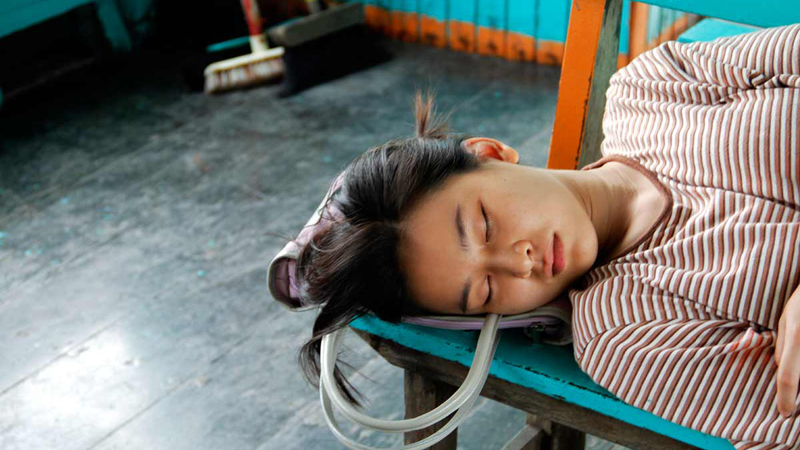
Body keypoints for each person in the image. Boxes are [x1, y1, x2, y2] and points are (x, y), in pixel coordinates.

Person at [292, 24, 800, 449]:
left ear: (489, 153)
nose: (521, 264)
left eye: (485, 226)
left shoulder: (655, 87)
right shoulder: (625, 333)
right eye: (487, 290)